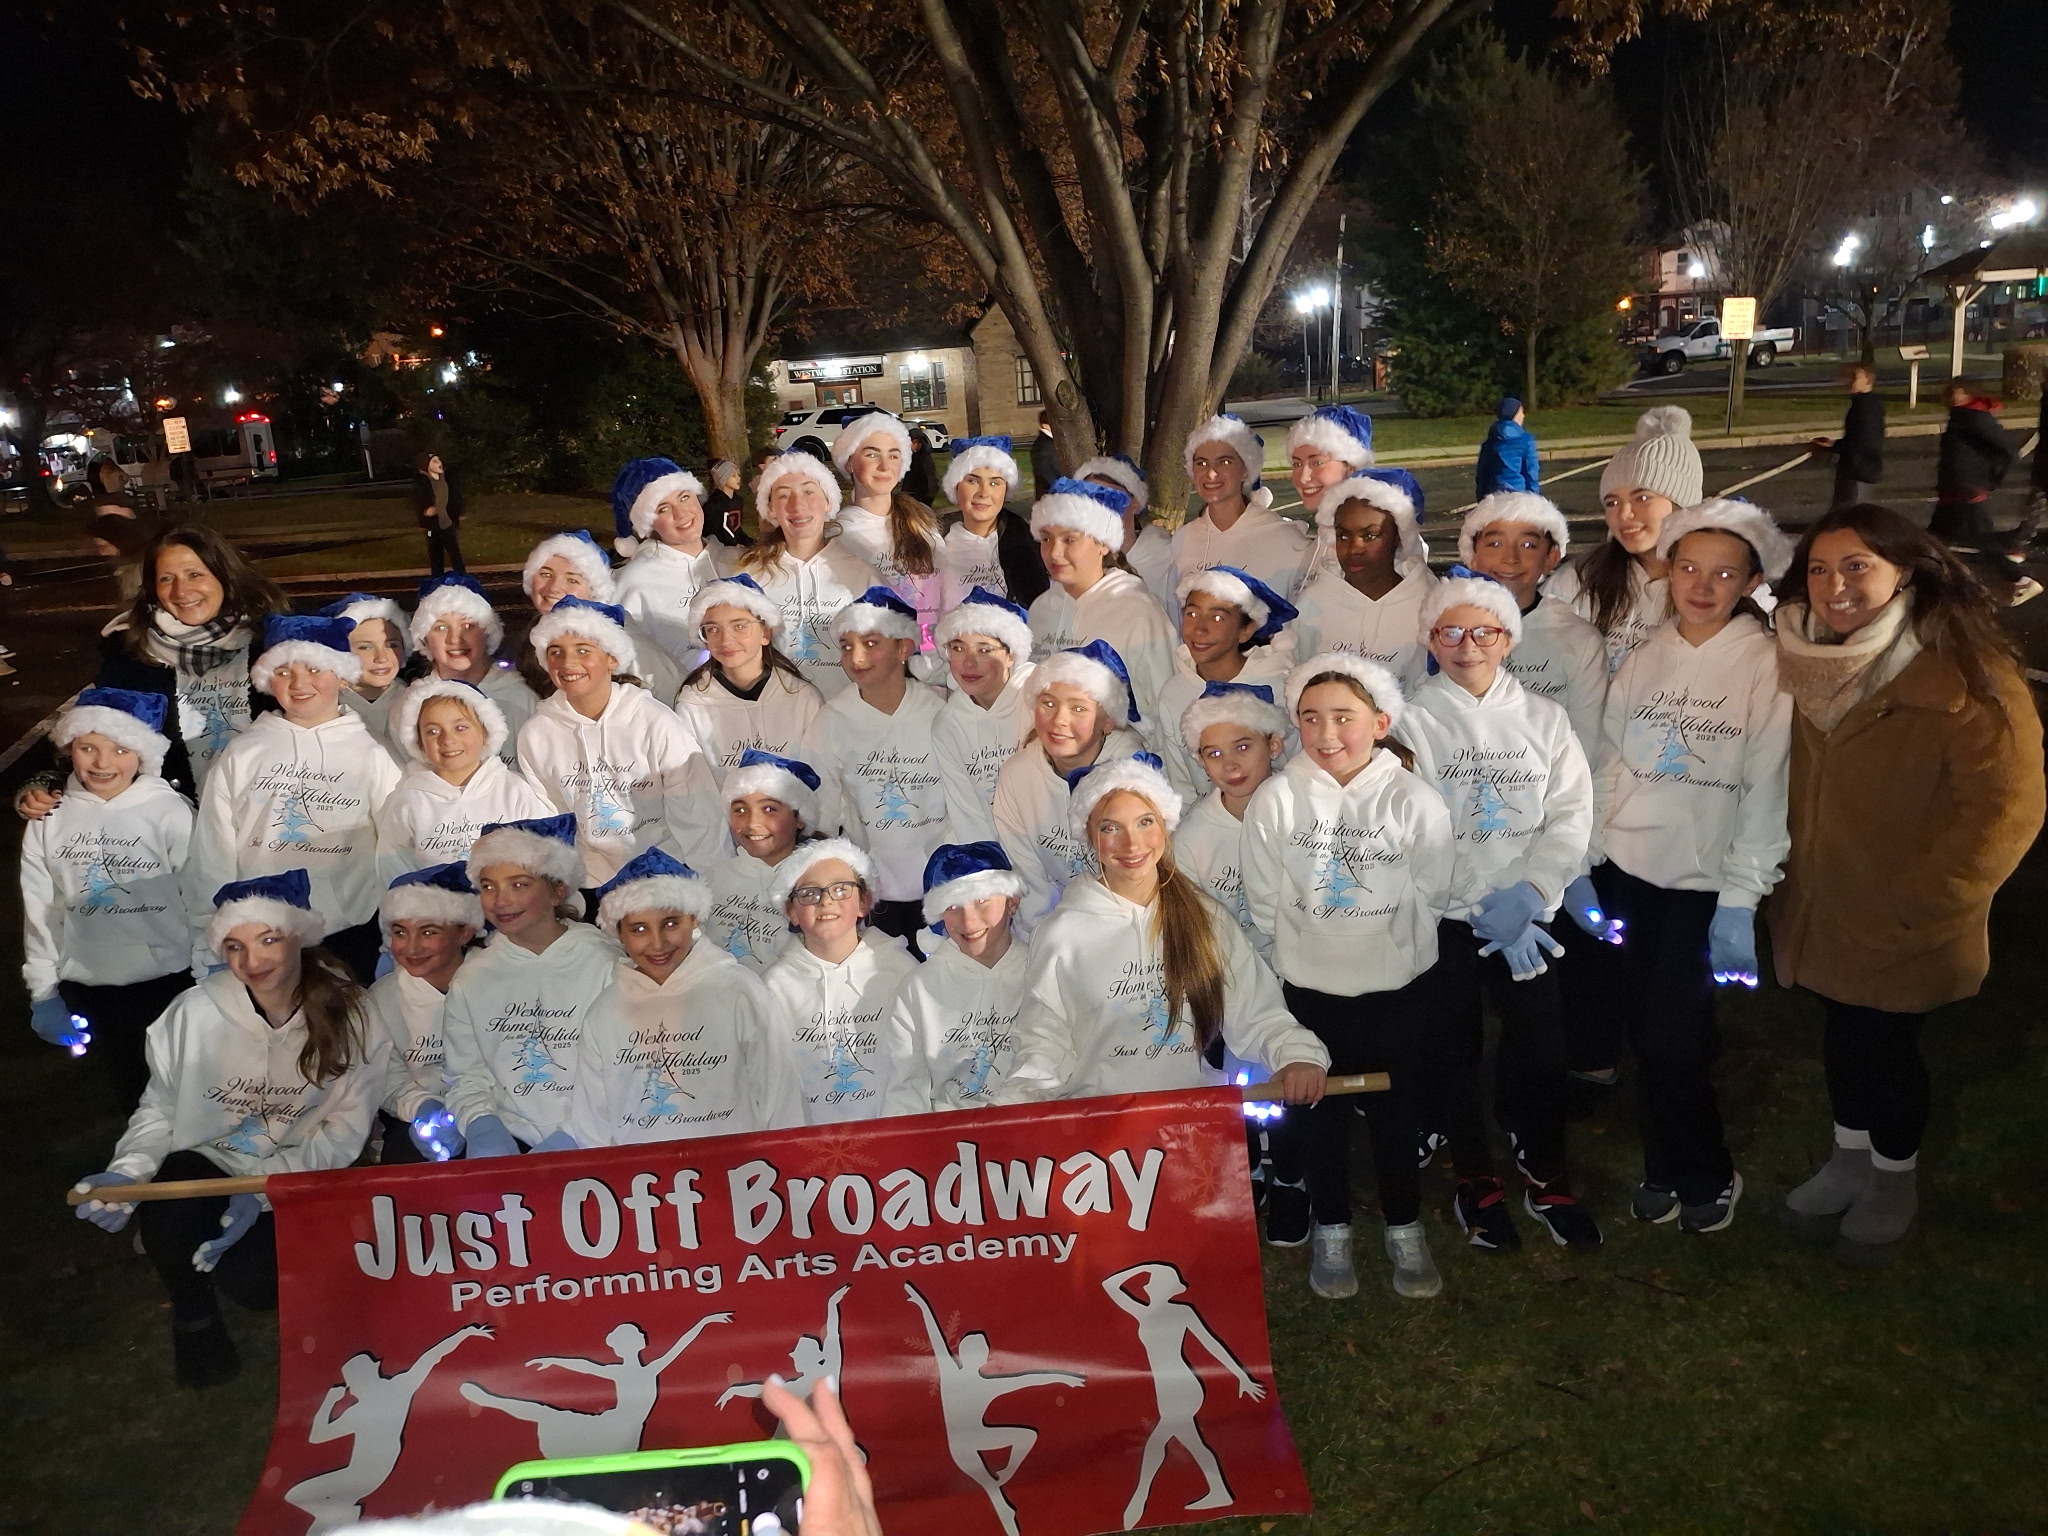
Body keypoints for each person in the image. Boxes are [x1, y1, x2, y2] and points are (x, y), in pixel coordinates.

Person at [1771, 503, 2043, 1262]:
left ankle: (1894, 1175)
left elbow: (2006, 805)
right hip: (1821, 901)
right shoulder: (1800, 653)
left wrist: (1923, 901)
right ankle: (1848, 1155)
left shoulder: (1965, 670)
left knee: (1887, 1048)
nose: (1836, 585)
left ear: (1906, 572)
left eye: (1858, 565)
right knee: (1843, 1036)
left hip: (1906, 913)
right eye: (1820, 569)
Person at [71, 869, 385, 1388]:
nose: (252, 961)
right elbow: (161, 1109)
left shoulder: (352, 1014)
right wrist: (126, 1175)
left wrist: (261, 1194)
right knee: (170, 1206)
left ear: (299, 938)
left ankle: (233, 1248)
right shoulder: (194, 1012)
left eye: (268, 940)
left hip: (293, 1174)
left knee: (258, 1288)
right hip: (205, 1164)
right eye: (235, 946)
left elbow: (341, 1134)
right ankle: (194, 1316)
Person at [1576, 499, 1794, 1236]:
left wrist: (1741, 896)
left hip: (1702, 886)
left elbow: (1767, 786)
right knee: (1646, 1030)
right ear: (1669, 572)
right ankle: (1662, 1161)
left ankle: (1704, 1167)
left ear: (1751, 580)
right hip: (1629, 872)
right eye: (1689, 568)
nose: (1702, 586)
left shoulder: (1765, 666)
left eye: (1723, 573)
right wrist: (1585, 860)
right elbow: (1609, 764)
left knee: (1674, 1037)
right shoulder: (1645, 657)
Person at [1243, 655, 1452, 1298]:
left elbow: (1434, 891)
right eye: (1311, 718)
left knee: (1396, 1114)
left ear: (1381, 722)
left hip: (1395, 991)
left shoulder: (1413, 798)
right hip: (1311, 993)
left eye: (1345, 717)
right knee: (1318, 1115)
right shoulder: (1277, 798)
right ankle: (1331, 1228)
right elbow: (1263, 899)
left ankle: (1403, 1227)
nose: (1327, 733)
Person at [1404, 573, 1601, 1250]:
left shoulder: (1544, 718)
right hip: (1450, 921)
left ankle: (1545, 1169)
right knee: (1453, 1052)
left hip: (1526, 920)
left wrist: (1533, 898)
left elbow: (1571, 816)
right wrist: (1477, 902)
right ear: (1431, 639)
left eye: (1483, 631)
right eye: (1450, 632)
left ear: (1507, 639)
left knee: (1543, 1049)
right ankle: (1475, 1179)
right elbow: (1410, 827)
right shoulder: (1410, 720)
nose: (1466, 646)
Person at [998, 753, 1330, 1104]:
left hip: (1193, 1122)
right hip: (1104, 1133)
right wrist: (1020, 1106)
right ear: (1090, 836)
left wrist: (1297, 1057)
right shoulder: (1061, 934)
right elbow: (1043, 1041)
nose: (1132, 844)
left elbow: (1257, 1012)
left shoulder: (1204, 917)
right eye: (1110, 828)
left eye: (1145, 822)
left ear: (1164, 825)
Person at [190, 615, 404, 984]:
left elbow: (396, 844)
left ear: (341, 675)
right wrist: (211, 929)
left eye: (315, 669)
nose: (300, 683)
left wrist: (394, 928)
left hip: (347, 931)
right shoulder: (243, 752)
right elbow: (213, 846)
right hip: (262, 933)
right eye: (284, 672)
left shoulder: (373, 753)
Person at [22, 686, 197, 1111]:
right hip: (94, 985)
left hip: (171, 980)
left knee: (192, 1089)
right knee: (134, 1093)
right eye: (88, 748)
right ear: (70, 749)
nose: (103, 763)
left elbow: (201, 899)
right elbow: (41, 911)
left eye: (121, 749)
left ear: (143, 755)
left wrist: (212, 972)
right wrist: (43, 993)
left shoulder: (170, 812)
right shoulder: (48, 820)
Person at [559, 848, 804, 1146]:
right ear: (619, 934)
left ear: (695, 919)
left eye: (671, 924)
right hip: (641, 1185)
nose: (658, 943)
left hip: (738, 1176)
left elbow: (780, 1098)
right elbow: (592, 1123)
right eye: (639, 929)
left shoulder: (739, 991)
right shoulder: (605, 1012)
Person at [35, 523, 289, 799]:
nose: (182, 591)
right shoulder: (130, 654)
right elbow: (100, 730)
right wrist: (48, 782)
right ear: (153, 589)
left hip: (265, 813)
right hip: (174, 819)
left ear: (225, 578)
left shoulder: (273, 644)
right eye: (167, 578)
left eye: (195, 574)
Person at [517, 595, 723, 891]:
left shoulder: (653, 720)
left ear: (611, 658)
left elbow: (697, 808)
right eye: (555, 652)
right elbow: (553, 816)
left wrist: (706, 881)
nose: (568, 663)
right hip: (592, 883)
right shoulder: (536, 734)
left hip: (666, 872)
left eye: (583, 650)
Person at [443, 814, 618, 1156]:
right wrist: (481, 1123)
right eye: (488, 885)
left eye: (519, 884)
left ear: (558, 890)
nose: (500, 900)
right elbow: (466, 1075)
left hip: (599, 1139)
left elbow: (622, 1069)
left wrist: (573, 1135)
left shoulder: (606, 964)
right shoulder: (473, 976)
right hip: (512, 1140)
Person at [806, 587, 948, 944]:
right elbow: (820, 807)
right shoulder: (832, 719)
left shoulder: (939, 711)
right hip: (873, 887)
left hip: (941, 878)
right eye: (847, 646)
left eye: (871, 644)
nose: (856, 657)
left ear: (903, 647)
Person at [763, 838, 920, 1123]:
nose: (826, 901)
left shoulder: (900, 971)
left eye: (840, 889)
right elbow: (769, 1081)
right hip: (805, 1144)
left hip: (895, 1133)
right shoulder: (774, 986)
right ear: (791, 911)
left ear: (864, 901)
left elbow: (917, 1065)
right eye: (809, 893)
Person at [991, 641, 1144, 935]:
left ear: (1108, 721)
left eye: (1078, 708)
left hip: (1128, 925)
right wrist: (1046, 943)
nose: (1059, 720)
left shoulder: (1132, 772)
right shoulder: (1017, 776)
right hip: (1058, 928)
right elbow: (1029, 879)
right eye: (1048, 703)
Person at [1548, 405, 1701, 675]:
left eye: (1642, 498)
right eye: (1612, 502)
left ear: (1681, 503)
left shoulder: (1712, 586)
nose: (1624, 514)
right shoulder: (1579, 580)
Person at [882, 843, 1031, 1114]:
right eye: (952, 906)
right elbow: (904, 1088)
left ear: (1012, 902)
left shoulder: (1040, 972)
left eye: (982, 901)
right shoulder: (919, 988)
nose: (969, 921)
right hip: (949, 1141)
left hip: (1034, 1134)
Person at [1026, 477, 1178, 739]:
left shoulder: (1137, 612)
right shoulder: (1041, 610)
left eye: (1069, 539)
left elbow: (1167, 707)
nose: (1054, 553)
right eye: (1047, 538)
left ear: (1103, 543)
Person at [1460, 493, 1606, 755]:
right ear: (1472, 555)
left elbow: (1586, 742)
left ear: (1551, 557)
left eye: (1528, 546)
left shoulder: (1577, 638)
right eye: (1495, 544)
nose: (1510, 558)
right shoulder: (1448, 632)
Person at [734, 452, 884, 695]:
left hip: (847, 712)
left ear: (828, 502)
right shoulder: (750, 577)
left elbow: (881, 655)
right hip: (778, 714)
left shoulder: (861, 574)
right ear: (770, 509)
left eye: (808, 491)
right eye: (783, 495)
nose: (797, 505)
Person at [376, 678, 551, 881]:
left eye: (460, 728)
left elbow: (542, 855)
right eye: (433, 731)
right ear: (419, 742)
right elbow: (393, 867)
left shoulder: (515, 791)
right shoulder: (410, 801)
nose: (447, 740)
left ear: (486, 731)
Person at [370, 863, 483, 1164]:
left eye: (428, 932)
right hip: (420, 1118)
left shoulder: (497, 981)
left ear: (465, 932)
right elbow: (386, 1076)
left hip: (499, 1113)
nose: (412, 947)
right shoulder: (381, 998)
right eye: (400, 932)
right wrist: (421, 1108)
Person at [1155, 565, 1297, 800]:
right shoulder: (1174, 693)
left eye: (1217, 617)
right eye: (1192, 614)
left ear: (1246, 630)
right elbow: (1180, 781)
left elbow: (1297, 765)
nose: (1200, 629)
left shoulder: (1281, 687)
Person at [1290, 469, 1433, 692]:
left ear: (1398, 537)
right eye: (1343, 535)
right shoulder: (1313, 605)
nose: (1355, 548)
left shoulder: (1428, 604)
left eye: (1370, 536)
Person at [1173, 681, 1287, 953]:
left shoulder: (1306, 809)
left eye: (1243, 747)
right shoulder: (1191, 837)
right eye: (1214, 753)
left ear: (1274, 744)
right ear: (1201, 762)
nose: (1230, 764)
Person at [673, 573, 827, 772]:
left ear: (765, 633)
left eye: (739, 627)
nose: (726, 640)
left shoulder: (802, 698)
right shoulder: (693, 703)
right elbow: (695, 782)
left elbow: (822, 772)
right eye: (712, 629)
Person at [518, 529, 684, 703]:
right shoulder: (536, 630)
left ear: (595, 591)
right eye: (545, 574)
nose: (553, 588)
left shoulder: (626, 646)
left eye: (572, 580)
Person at [931, 588, 1038, 844]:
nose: (968, 663)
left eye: (984, 650)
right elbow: (966, 812)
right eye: (958, 648)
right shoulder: (948, 724)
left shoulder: (1038, 699)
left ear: (1010, 655)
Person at [829, 410, 943, 645]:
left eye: (893, 456)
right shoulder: (836, 534)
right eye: (872, 454)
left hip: (930, 655)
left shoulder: (922, 524)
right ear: (850, 462)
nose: (884, 466)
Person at [703, 750, 822, 972]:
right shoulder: (710, 881)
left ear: (799, 818)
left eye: (769, 809)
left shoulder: (820, 883)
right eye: (740, 810)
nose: (753, 823)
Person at [1175, 414, 1314, 602]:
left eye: (1224, 462)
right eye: (1201, 463)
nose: (1211, 473)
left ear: (1246, 469)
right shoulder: (1183, 540)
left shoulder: (1283, 538)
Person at [609, 457, 727, 673]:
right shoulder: (636, 579)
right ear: (648, 522)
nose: (681, 514)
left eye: (684, 497)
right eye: (663, 509)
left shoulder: (732, 560)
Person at [408, 573, 536, 771]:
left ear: (487, 631)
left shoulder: (520, 699)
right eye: (440, 627)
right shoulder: (412, 704)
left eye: (468, 626)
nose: (455, 639)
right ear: (424, 638)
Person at [1930, 380, 2032, 600]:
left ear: (1970, 394)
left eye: (1959, 393)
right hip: (1954, 488)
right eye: (1951, 392)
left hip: (1965, 489)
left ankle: (2019, 576)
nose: (1954, 397)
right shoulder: (1960, 416)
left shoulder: (1974, 417)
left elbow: (2008, 452)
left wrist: (1991, 475)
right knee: (1934, 540)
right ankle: (1932, 584)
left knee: (1980, 542)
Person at [938, 437, 1049, 611]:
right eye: (973, 481)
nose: (984, 493)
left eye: (994, 483)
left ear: (1006, 490)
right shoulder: (936, 546)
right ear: (956, 487)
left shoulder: (1030, 545)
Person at [1077, 453, 1178, 616]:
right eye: (1089, 498)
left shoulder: (1168, 559)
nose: (1100, 506)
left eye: (1111, 497)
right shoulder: (1073, 561)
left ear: (1135, 503)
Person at [322, 593, 414, 747]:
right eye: (365, 647)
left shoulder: (415, 698)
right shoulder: (326, 704)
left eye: (392, 645)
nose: (381, 658)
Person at [1286, 404, 1376, 528]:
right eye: (1297, 464)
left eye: (1317, 463)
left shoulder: (1365, 535)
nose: (1303, 477)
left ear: (1351, 467)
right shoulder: (1332, 530)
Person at [1811, 363, 1884, 511]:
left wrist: (1835, 447)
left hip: (1858, 469)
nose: (1849, 381)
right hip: (1860, 467)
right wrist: (1833, 444)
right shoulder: (1867, 403)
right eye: (1848, 377)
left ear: (1868, 381)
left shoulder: (1865, 407)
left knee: (1847, 515)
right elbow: (1857, 436)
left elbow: (1863, 440)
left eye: (1855, 377)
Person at [410, 452, 465, 577]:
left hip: (447, 523)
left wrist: (457, 512)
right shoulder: (422, 483)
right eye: (434, 461)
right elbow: (418, 500)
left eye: (439, 460)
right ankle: (437, 581)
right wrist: (426, 511)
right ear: (427, 466)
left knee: (455, 554)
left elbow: (455, 498)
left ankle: (463, 580)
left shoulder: (448, 480)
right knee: (435, 555)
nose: (439, 463)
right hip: (431, 527)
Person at [1475, 397, 1541, 498]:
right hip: (1519, 496)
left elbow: (1482, 474)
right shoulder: (1526, 439)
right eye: (1521, 412)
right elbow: (1531, 473)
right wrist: (1535, 498)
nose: (1523, 416)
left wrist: (1481, 499)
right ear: (1515, 415)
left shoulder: (1491, 440)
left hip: (1494, 496)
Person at [703, 458, 750, 546]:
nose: (738, 478)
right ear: (723, 479)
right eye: (733, 476)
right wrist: (733, 544)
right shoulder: (714, 504)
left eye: (738, 475)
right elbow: (715, 532)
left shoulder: (737, 500)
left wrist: (747, 541)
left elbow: (736, 528)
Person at [1029, 408, 1059, 496]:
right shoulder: (1043, 446)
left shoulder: (1050, 442)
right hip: (1050, 494)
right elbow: (1046, 473)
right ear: (1045, 425)